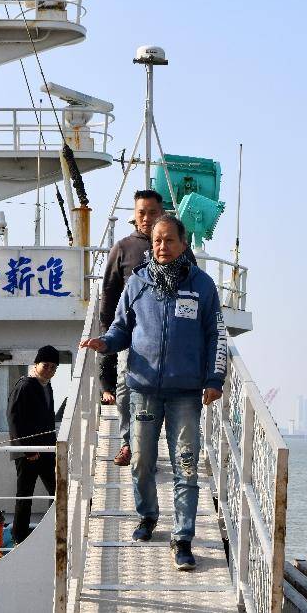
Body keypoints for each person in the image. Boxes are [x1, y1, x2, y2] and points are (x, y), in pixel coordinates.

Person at [81, 215, 228, 571]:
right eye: (157, 240)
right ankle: (147, 516)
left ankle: (183, 538)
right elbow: (121, 329)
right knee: (141, 462)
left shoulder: (202, 285)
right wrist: (105, 343)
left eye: (169, 240)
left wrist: (214, 379)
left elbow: (216, 335)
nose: (162, 247)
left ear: (183, 244)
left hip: (186, 393)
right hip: (143, 390)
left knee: (186, 465)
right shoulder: (138, 283)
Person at [99, 190, 196, 467]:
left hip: (168, 337)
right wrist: (108, 333)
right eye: (141, 212)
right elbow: (109, 293)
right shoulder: (123, 248)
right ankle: (128, 443)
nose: (147, 218)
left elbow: (194, 286)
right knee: (124, 387)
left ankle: (155, 446)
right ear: (134, 214)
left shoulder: (181, 249)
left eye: (153, 212)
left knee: (167, 396)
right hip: (130, 334)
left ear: (162, 213)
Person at [7, 345, 60, 544]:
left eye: (53, 367)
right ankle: (19, 538)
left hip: (46, 451)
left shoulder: (46, 386)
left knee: (58, 490)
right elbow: (13, 418)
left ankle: (54, 530)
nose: (49, 370)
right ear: (36, 364)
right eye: (46, 365)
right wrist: (27, 449)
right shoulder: (25, 385)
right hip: (28, 453)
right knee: (25, 494)